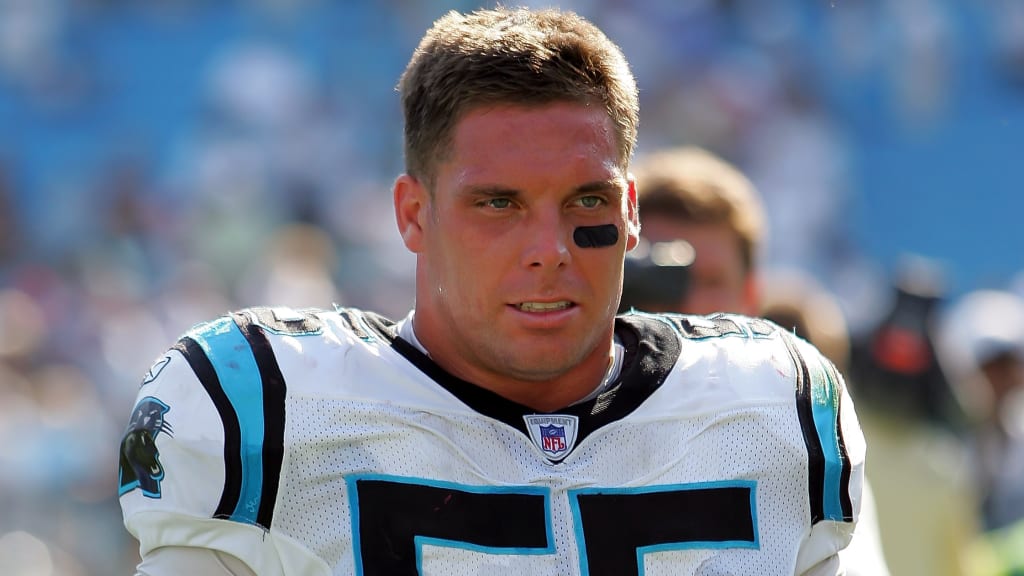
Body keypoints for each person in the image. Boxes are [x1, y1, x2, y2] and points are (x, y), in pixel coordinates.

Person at [118, 7, 867, 575]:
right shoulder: (262, 413)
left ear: (630, 213)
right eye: (499, 204)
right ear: (414, 214)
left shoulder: (774, 410)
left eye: (586, 203)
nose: (549, 252)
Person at [625, 146, 890, 576]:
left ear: (751, 295)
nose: (685, 304)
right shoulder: (554, 423)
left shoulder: (804, 442)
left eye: (708, 280)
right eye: (660, 275)